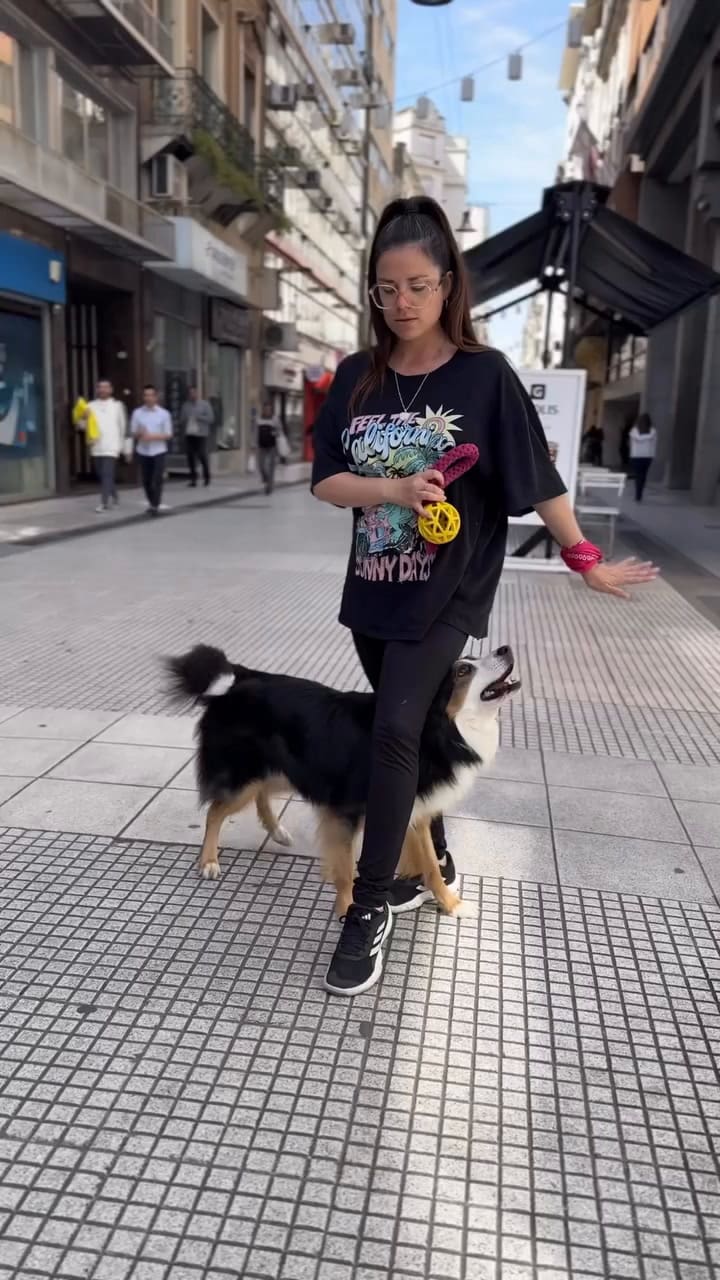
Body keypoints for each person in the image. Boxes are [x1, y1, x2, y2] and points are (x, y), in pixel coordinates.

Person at [311, 195, 658, 998]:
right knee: (412, 731)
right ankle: (432, 847)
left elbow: (538, 477)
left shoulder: (484, 375)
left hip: (450, 588)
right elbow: (327, 481)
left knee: (393, 730)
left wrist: (584, 558)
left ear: (448, 286)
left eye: (417, 286)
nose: (401, 303)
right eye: (386, 289)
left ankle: (371, 904)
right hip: (375, 588)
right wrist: (392, 489)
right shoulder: (357, 378)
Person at [77, 379, 127, 513]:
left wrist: (123, 447)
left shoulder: (117, 405)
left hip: (112, 446)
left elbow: (123, 427)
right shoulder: (90, 406)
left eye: (106, 387)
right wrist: (83, 418)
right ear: (97, 390)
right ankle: (114, 495)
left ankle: (104, 503)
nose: (103, 390)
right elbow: (81, 426)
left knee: (107, 474)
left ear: (111, 389)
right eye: (100, 387)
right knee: (102, 475)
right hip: (96, 446)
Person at [130, 385, 173, 517]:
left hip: (159, 450)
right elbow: (133, 432)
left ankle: (155, 504)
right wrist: (139, 433)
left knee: (157, 478)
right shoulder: (137, 413)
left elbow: (168, 434)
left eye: (151, 395)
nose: (148, 398)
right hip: (143, 450)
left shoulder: (164, 414)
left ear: (156, 397)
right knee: (146, 480)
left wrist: (152, 436)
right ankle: (151, 502)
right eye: (146, 395)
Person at [180, 386, 214, 487]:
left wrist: (199, 417)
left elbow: (211, 418)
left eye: (194, 393)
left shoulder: (205, 405)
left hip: (201, 434)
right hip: (190, 434)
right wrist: (185, 419)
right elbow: (181, 419)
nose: (192, 395)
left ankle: (207, 477)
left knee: (202, 455)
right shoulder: (185, 406)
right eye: (190, 393)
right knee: (190, 456)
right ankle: (193, 479)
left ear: (197, 393)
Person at [629, 412, 657, 502]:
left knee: (638, 475)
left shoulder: (634, 430)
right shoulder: (652, 431)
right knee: (643, 475)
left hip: (636, 456)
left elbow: (637, 439)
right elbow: (653, 443)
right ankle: (639, 492)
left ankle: (638, 494)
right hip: (647, 456)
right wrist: (648, 438)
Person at [256, 398, 280, 495]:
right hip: (261, 445)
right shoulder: (259, 418)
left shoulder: (275, 419)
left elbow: (279, 431)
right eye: (265, 409)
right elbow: (255, 431)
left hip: (272, 446)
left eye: (269, 409)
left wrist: (274, 432)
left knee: (271, 467)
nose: (267, 411)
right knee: (260, 465)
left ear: (271, 410)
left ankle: (269, 487)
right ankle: (265, 478)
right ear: (263, 409)